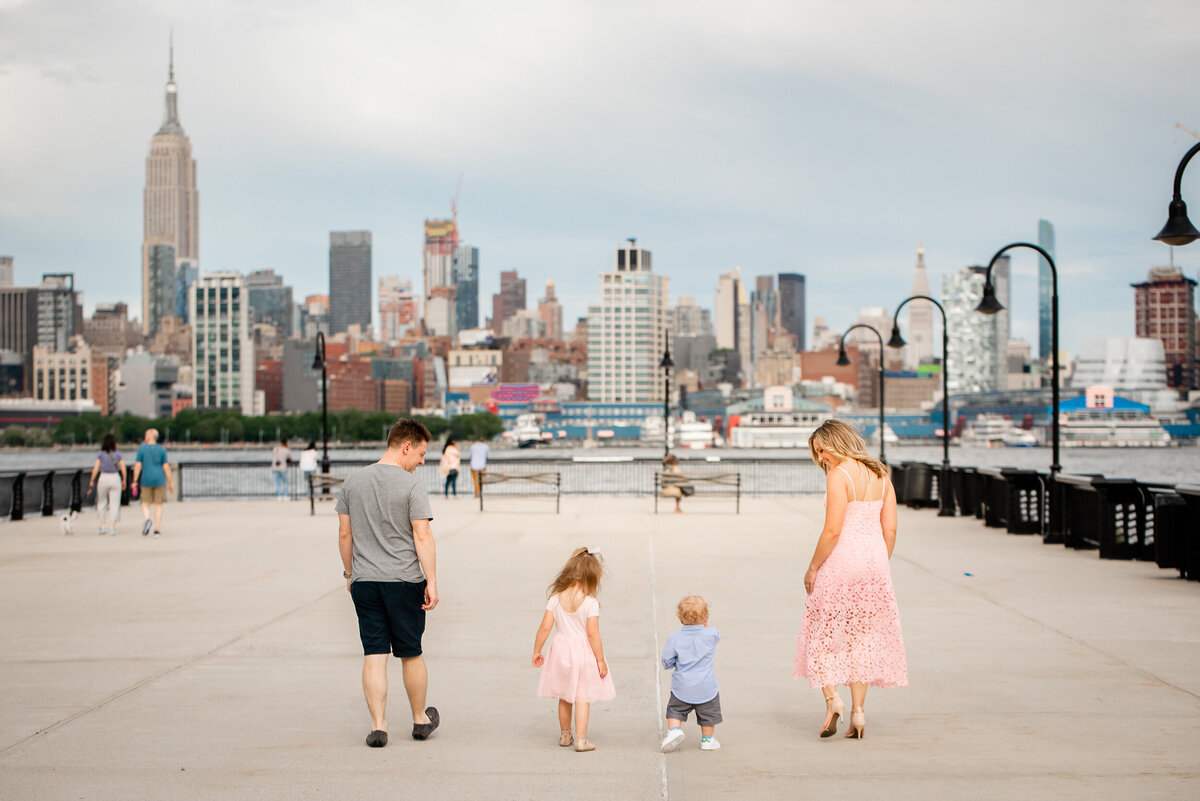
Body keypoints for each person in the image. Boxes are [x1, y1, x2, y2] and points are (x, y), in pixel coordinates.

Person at [794, 419, 907, 739]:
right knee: (861, 638)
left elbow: (832, 531)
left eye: (823, 450)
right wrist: (878, 562)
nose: (822, 458)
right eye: (817, 454)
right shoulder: (882, 474)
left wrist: (813, 567)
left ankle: (834, 700)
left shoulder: (839, 475)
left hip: (840, 562)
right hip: (874, 565)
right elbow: (891, 529)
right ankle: (859, 713)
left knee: (822, 634)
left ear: (838, 443)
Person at [337, 418, 440, 748]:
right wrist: (433, 581)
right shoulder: (411, 486)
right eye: (421, 454)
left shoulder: (353, 482)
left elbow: (344, 534)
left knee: (374, 654)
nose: (422, 462)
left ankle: (378, 726)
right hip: (404, 581)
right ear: (406, 446)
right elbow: (422, 535)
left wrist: (350, 574)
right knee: (410, 653)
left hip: (366, 581)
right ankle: (420, 719)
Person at [532, 547, 615, 753]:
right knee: (581, 696)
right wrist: (600, 659)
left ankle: (565, 734)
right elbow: (593, 634)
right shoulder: (590, 603)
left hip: (560, 650)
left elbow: (544, 627)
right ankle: (581, 739)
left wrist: (537, 650)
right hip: (582, 652)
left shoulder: (556, 598)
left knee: (564, 695)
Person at [660, 595, 722, 752]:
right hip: (706, 687)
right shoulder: (712, 634)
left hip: (682, 686)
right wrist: (706, 625)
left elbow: (667, 660)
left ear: (680, 619)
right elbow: (716, 635)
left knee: (675, 710)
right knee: (708, 714)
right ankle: (707, 740)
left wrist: (673, 664)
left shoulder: (675, 638)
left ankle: (674, 731)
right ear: (706, 617)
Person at [131, 428, 173, 538]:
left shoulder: (142, 449)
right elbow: (166, 467)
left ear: (148, 437)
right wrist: (170, 482)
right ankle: (157, 529)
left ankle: (147, 519)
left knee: (145, 503)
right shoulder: (161, 450)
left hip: (146, 479)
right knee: (158, 505)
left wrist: (135, 480)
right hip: (159, 479)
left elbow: (138, 466)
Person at [87, 434, 126, 536]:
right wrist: (124, 480)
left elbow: (96, 468)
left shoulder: (100, 454)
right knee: (114, 503)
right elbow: (123, 468)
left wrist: (92, 480)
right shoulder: (118, 454)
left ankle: (102, 525)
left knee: (102, 502)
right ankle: (112, 526)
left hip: (103, 477)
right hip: (115, 477)